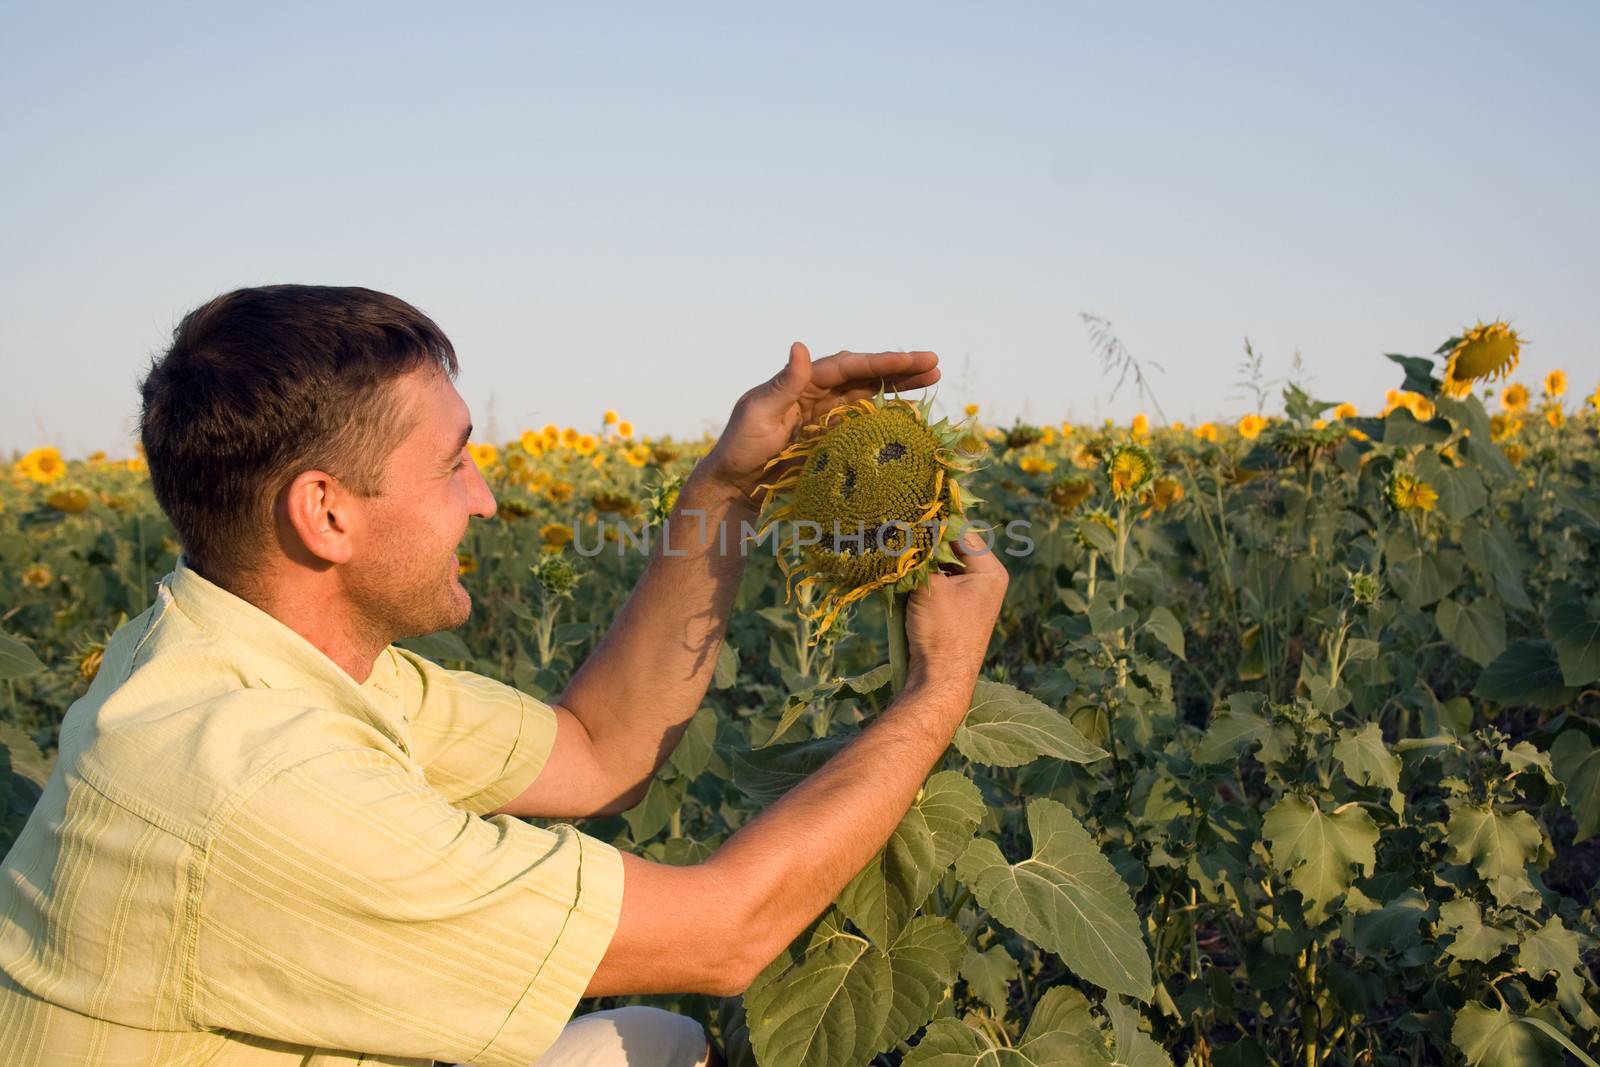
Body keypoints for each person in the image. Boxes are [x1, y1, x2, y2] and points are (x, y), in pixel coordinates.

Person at [0, 285, 1008, 1066]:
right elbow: (725, 930)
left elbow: (597, 751)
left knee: (654, 1039)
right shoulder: (260, 781)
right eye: (453, 466)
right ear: (326, 513)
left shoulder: (243, 654)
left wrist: (728, 485)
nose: (485, 501)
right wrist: (938, 687)